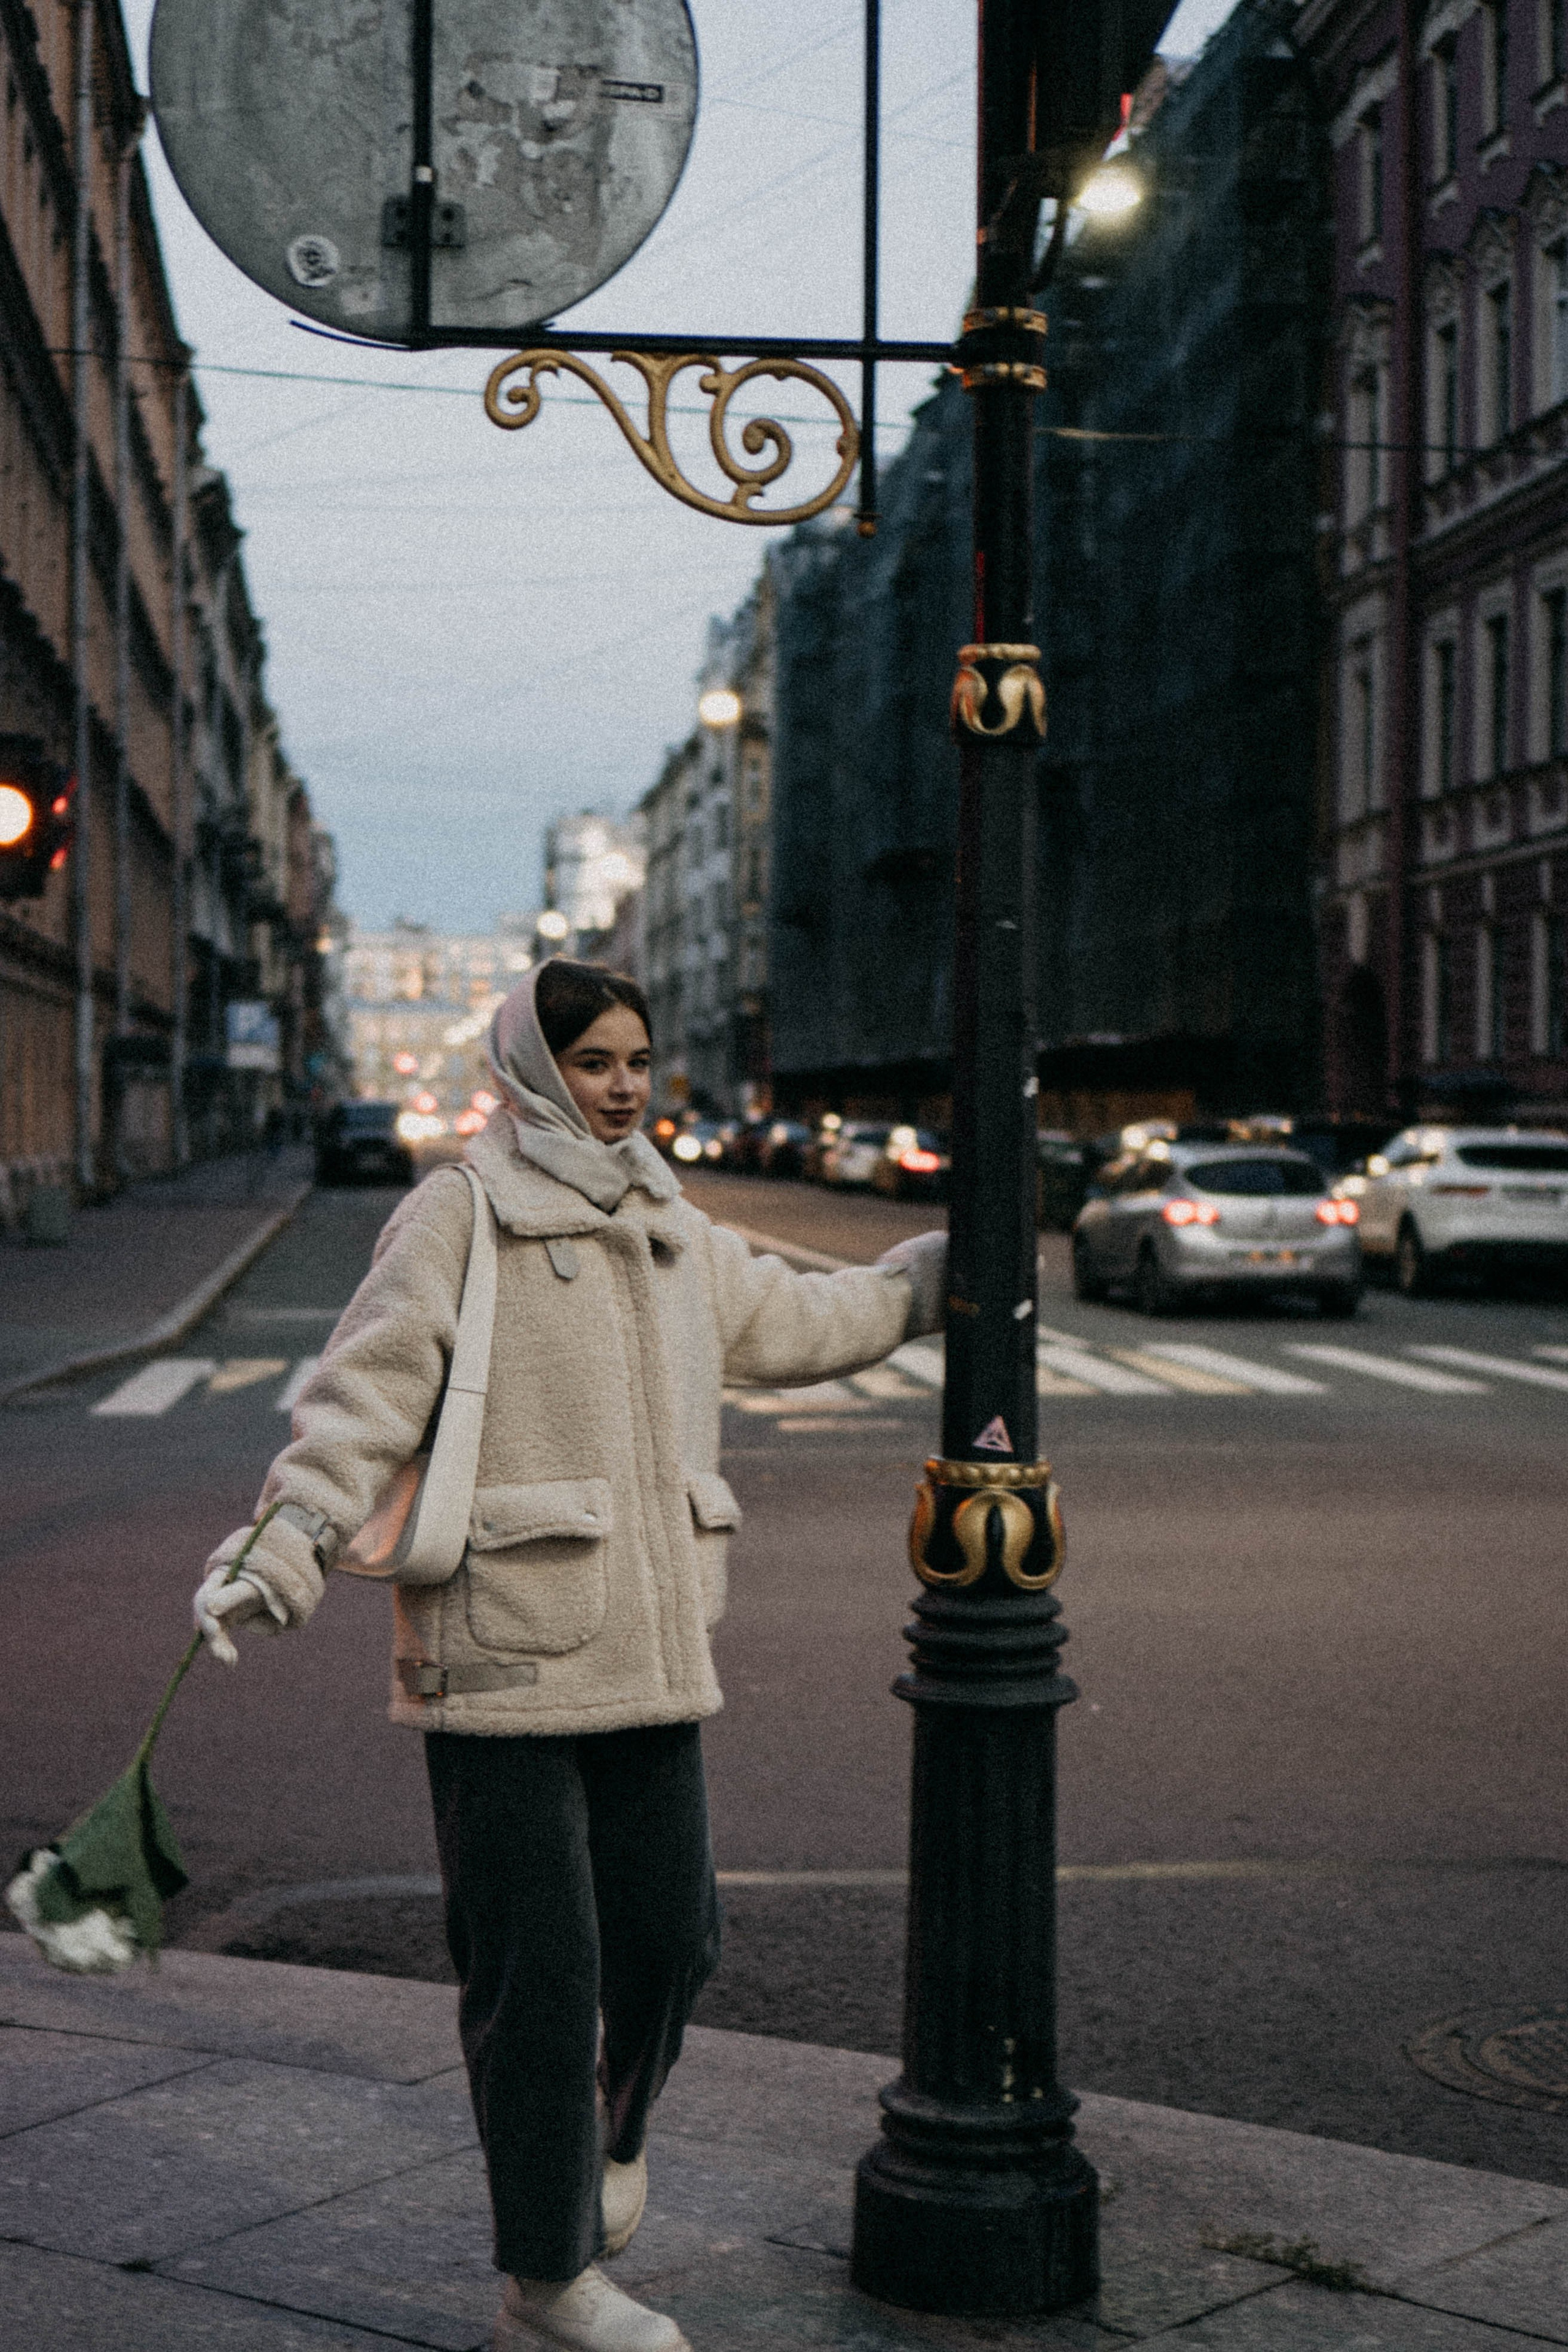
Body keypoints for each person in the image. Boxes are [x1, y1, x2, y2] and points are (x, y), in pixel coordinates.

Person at [192, 957, 946, 2352]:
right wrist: (285, 1539)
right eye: (593, 1062)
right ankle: (545, 2282)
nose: (620, 1088)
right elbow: (366, 1390)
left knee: (675, 1941)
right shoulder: (460, 1212)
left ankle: (604, 2140)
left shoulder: (666, 1219)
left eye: (636, 1063)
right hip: (503, 1650)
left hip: (651, 1646)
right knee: (537, 1983)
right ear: (533, 1070)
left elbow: (794, 1321)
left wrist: (927, 1278)